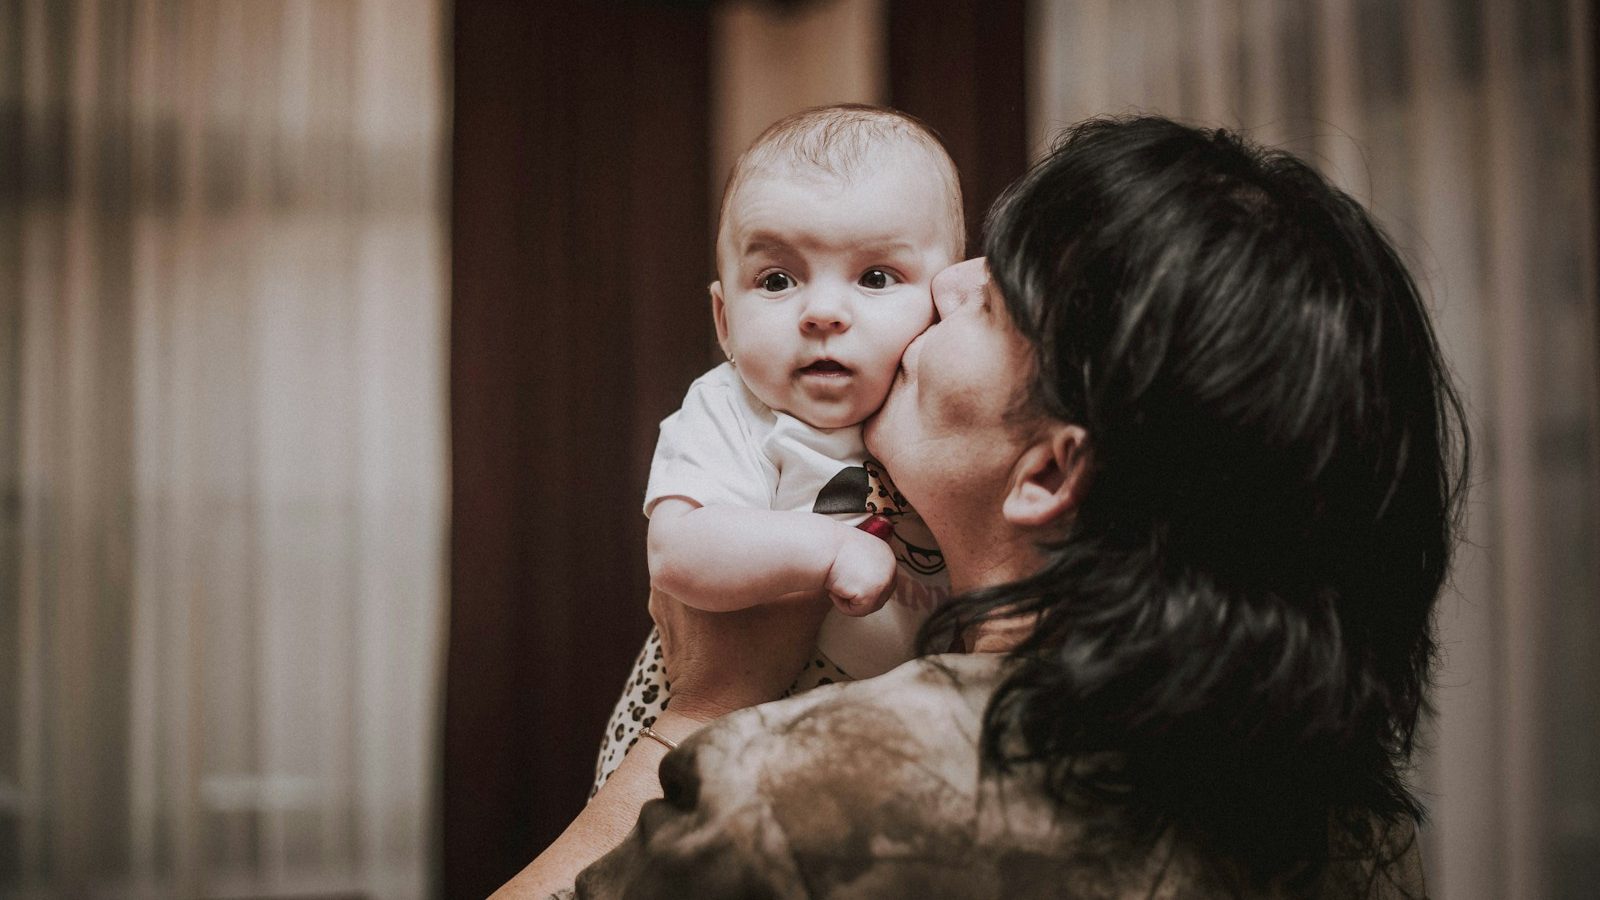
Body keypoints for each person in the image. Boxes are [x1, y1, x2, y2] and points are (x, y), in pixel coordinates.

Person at [496, 115, 1466, 898]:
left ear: (1047, 473)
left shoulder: (804, 805)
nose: (946, 284)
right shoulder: (1362, 836)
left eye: (995, 299)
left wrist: (702, 708)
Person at [590, 105, 962, 792]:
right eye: (777, 280)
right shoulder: (733, 407)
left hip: (881, 726)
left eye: (876, 277)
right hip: (722, 716)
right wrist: (829, 550)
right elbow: (678, 549)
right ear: (725, 321)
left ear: (947, 303)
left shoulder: (945, 407)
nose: (822, 313)